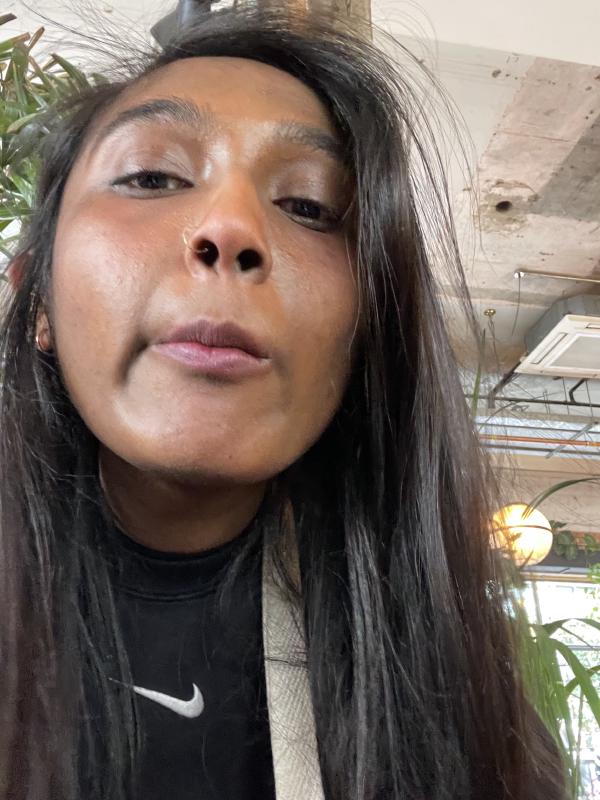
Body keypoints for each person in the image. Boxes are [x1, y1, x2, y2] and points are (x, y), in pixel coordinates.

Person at [0, 5, 567, 800]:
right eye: (151, 177)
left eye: (308, 206)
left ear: (365, 329)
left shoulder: (463, 707)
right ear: (37, 299)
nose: (230, 227)